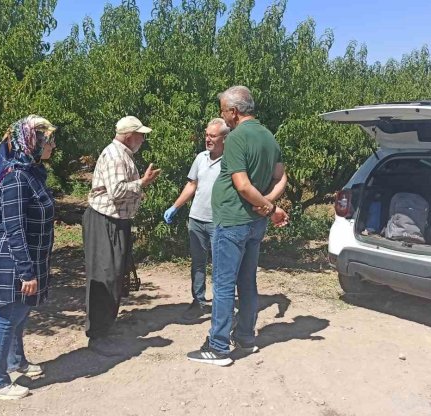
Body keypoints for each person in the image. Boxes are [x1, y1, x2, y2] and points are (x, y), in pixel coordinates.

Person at [187, 86, 288, 366]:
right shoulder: (268, 135)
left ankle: (218, 347)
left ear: (233, 111)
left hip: (232, 221)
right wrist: (269, 204)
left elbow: (242, 185)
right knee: (247, 282)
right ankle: (245, 337)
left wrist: (268, 206)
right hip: (254, 224)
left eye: (223, 110)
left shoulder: (235, 139)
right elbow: (282, 178)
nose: (222, 115)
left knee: (222, 284)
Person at [0, 115, 57, 400]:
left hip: (27, 258)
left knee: (20, 312)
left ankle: (16, 362)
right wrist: (26, 272)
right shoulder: (15, 178)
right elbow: (14, 228)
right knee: (5, 317)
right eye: (48, 140)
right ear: (32, 142)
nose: (52, 145)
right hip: (11, 258)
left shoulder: (31, 173)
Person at [83, 115, 161, 356]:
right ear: (129, 136)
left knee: (115, 274)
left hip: (114, 221)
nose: (143, 139)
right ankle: (97, 335)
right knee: (105, 275)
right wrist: (142, 183)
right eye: (140, 135)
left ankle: (105, 328)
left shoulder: (122, 154)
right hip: (105, 221)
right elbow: (116, 192)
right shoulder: (117, 156)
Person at [163, 118, 229, 315]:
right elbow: (192, 184)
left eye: (213, 136)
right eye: (206, 135)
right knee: (198, 263)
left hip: (219, 221)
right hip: (197, 219)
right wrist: (175, 206)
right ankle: (198, 302)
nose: (208, 139)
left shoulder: (230, 161)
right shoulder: (201, 157)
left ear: (224, 138)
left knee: (220, 266)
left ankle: (220, 305)